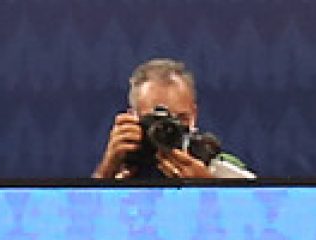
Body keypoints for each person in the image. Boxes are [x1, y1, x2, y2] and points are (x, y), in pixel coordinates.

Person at [93, 58, 255, 181]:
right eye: (156, 120)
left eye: (180, 119)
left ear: (194, 115)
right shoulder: (118, 173)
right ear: (133, 117)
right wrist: (106, 172)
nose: (167, 129)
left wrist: (208, 189)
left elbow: (263, 218)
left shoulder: (222, 171)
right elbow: (82, 219)